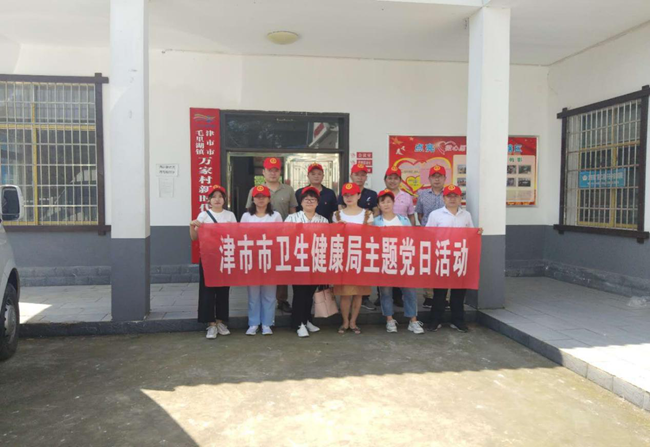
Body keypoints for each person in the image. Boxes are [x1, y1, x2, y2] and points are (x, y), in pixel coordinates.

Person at [425, 184, 483, 333]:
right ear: (443, 198)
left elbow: (470, 234)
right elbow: (428, 235)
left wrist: (477, 233)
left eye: (455, 196)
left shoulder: (466, 215)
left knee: (459, 292)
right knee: (440, 292)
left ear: (460, 199)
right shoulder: (435, 215)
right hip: (442, 257)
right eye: (449, 196)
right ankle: (435, 320)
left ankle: (458, 320)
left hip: (460, 257)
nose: (452, 199)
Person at [245, 157, 297, 313]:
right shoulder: (255, 190)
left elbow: (293, 212)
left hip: (282, 237)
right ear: (263, 172)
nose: (273, 173)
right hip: (259, 240)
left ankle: (282, 300)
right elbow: (249, 213)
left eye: (276, 170)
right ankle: (262, 299)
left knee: (281, 268)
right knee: (262, 267)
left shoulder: (288, 190)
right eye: (270, 170)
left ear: (280, 172)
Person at [189, 184, 237, 339]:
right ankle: (211, 324)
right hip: (208, 258)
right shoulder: (203, 215)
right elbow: (194, 238)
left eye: (220, 196)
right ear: (209, 200)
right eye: (214, 197)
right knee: (207, 290)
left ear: (224, 199)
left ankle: (221, 321)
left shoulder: (230, 215)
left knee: (223, 290)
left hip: (225, 256)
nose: (217, 199)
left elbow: (236, 235)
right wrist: (192, 226)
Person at [374, 189, 424, 334]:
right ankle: (389, 320)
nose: (386, 204)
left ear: (393, 203)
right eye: (383, 202)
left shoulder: (404, 220)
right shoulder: (375, 222)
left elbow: (410, 239)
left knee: (409, 291)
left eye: (389, 201)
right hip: (384, 261)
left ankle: (413, 321)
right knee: (385, 292)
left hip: (403, 260)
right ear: (378, 205)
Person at [285, 186, 329, 337]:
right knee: (300, 293)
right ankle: (298, 323)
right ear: (301, 201)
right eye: (306, 199)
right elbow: (285, 238)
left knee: (310, 293)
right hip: (298, 261)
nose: (309, 201)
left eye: (313, 199)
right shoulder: (292, 218)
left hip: (315, 261)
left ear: (317, 202)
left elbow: (326, 241)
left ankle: (306, 319)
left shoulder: (323, 220)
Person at [241, 185, 283, 336]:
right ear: (253, 199)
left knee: (269, 294)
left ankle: (267, 323)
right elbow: (240, 236)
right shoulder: (246, 216)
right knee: (253, 294)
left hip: (270, 258)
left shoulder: (276, 216)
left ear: (269, 199)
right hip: (252, 258)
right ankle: (253, 323)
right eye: (257, 197)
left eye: (263, 197)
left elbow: (281, 235)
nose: (260, 199)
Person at [333, 182, 374, 334]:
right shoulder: (337, 215)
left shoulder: (367, 214)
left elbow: (371, 236)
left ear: (359, 195)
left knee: (358, 293)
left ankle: (353, 322)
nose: (349, 198)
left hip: (361, 257)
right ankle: (345, 322)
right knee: (345, 293)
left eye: (352, 195)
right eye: (346, 195)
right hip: (343, 258)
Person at [338, 162, 378, 310]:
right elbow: (340, 211)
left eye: (363, 175)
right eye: (357, 174)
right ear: (351, 175)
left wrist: (367, 222)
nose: (360, 177)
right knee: (346, 278)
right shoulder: (343, 196)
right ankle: (345, 309)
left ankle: (364, 300)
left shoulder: (372, 194)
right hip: (346, 245)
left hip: (363, 241)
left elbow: (376, 211)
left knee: (362, 275)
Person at [415, 165, 447, 309]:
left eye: (440, 176)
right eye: (434, 176)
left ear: (445, 178)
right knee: (428, 265)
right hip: (427, 236)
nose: (437, 179)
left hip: (446, 236)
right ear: (429, 178)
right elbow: (420, 215)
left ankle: (445, 297)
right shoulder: (422, 194)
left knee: (445, 265)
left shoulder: (449, 194)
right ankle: (429, 296)